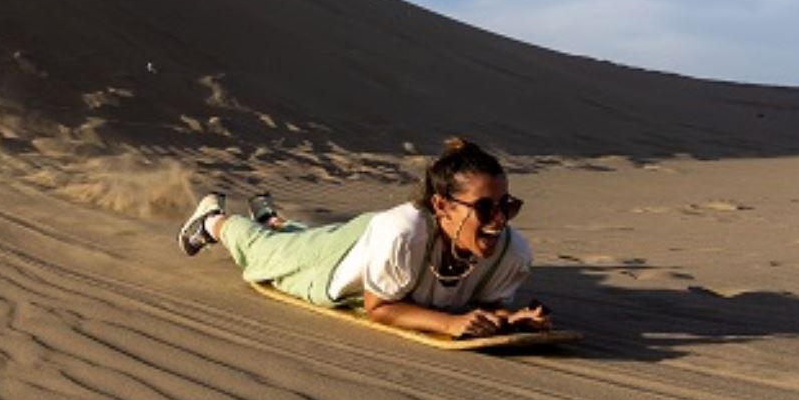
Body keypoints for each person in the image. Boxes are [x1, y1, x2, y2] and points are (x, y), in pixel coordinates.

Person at [176, 138, 554, 340]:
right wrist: (448, 325)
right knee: (264, 254)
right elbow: (380, 306)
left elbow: (485, 306)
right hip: (338, 262)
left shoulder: (512, 253)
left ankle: (271, 217)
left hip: (367, 242)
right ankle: (213, 220)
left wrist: (514, 318)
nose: (499, 220)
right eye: (485, 208)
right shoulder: (404, 235)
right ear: (441, 205)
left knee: (301, 239)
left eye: (507, 205)